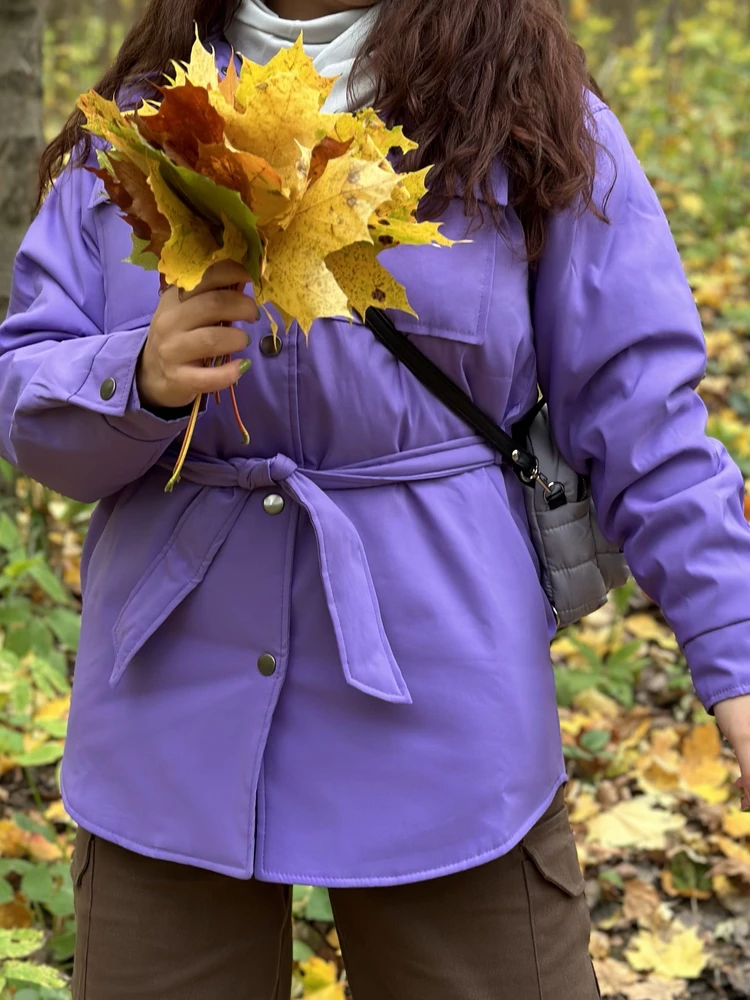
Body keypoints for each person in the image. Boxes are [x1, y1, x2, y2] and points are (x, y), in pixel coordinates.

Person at [2, 0, 750, 997]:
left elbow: (646, 423)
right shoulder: (148, 124)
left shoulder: (522, 109)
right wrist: (133, 377)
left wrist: (735, 657)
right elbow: (29, 398)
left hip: (446, 705)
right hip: (169, 709)